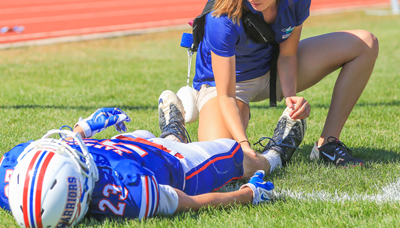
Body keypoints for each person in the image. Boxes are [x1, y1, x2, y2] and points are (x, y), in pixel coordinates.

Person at [191, 0, 379, 173]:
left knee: (366, 42)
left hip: (272, 68)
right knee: (222, 161)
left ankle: (327, 144)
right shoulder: (222, 16)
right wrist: (244, 145)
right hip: (227, 85)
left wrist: (291, 99)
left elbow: (288, 54)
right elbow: (226, 95)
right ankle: (178, 120)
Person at [0, 92, 274, 227]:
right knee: (239, 154)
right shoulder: (125, 195)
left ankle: (173, 132)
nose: (68, 146)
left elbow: (53, 162)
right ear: (84, 193)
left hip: (123, 142)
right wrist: (247, 195)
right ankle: (277, 153)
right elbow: (189, 203)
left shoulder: (12, 174)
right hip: (176, 163)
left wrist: (84, 129)